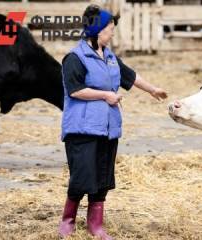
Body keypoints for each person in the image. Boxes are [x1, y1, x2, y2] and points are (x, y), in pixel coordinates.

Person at [57, 4, 167, 239]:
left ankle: (96, 225)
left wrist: (152, 90)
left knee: (102, 177)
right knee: (82, 175)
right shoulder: (75, 58)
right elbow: (75, 90)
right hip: (82, 128)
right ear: (97, 31)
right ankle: (68, 220)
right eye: (109, 29)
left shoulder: (110, 57)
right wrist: (105, 95)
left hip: (107, 128)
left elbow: (131, 76)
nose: (112, 34)